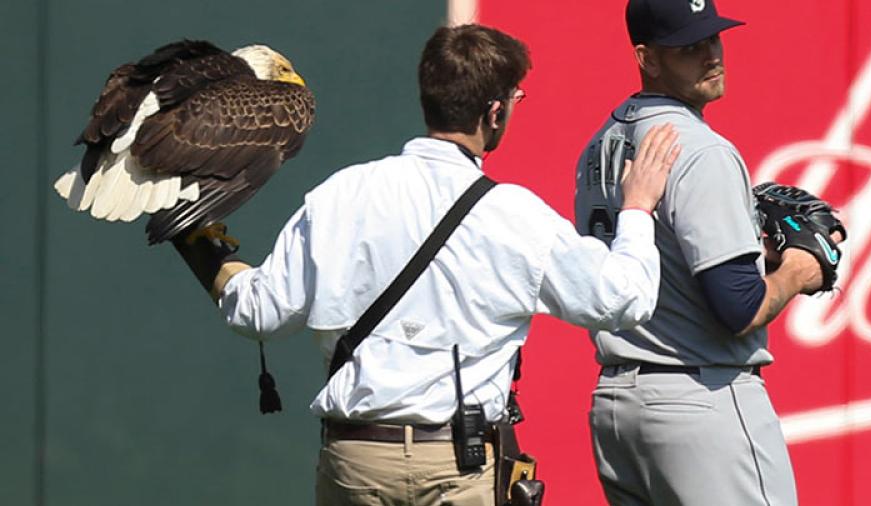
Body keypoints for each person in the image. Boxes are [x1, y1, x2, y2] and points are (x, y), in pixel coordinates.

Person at [179, 24, 679, 505]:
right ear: (495, 112)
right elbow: (623, 297)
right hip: (458, 466)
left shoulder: (341, 194)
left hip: (357, 460)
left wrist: (195, 240)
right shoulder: (514, 214)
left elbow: (258, 313)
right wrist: (636, 209)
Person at [574, 1, 845, 505]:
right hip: (700, 402)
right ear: (647, 57)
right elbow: (738, 308)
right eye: (689, 47)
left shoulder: (600, 144)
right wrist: (795, 271)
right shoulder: (701, 150)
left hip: (617, 409)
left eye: (713, 38)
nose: (711, 55)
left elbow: (660, 266)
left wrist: (752, 253)